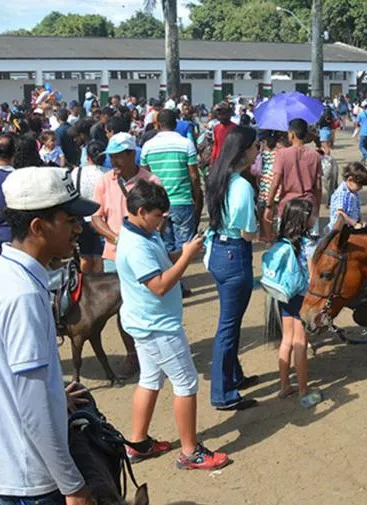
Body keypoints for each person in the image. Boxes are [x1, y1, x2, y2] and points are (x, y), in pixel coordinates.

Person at [0, 166, 99, 505]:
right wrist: (73, 486)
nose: (78, 228)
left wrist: (56, 396)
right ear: (38, 227)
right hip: (32, 476)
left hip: (4, 460)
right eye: (69, 220)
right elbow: (33, 405)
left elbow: (14, 377)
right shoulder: (23, 295)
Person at [114, 180, 229, 469]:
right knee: (186, 382)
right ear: (141, 211)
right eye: (158, 215)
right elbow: (160, 285)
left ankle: (138, 443)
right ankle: (191, 452)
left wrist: (186, 250)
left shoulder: (142, 232)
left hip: (145, 321)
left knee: (150, 379)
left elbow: (164, 263)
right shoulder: (137, 244)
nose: (162, 220)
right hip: (157, 326)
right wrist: (188, 257)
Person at [204, 126, 261, 411]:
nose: (257, 152)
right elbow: (248, 231)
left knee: (232, 321)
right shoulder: (241, 186)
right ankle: (223, 393)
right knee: (228, 326)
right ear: (245, 150)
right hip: (235, 252)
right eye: (256, 147)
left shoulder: (218, 175)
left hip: (218, 250)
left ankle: (233, 376)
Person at [272, 199, 324, 408]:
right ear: (304, 219)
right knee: (301, 342)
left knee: (287, 340)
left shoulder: (282, 240)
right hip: (302, 297)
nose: (314, 218)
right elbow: (313, 277)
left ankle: (284, 385)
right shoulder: (308, 245)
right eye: (311, 215)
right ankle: (303, 389)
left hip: (285, 294)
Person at [91, 132, 162, 275]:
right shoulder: (104, 181)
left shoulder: (151, 181)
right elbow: (96, 217)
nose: (113, 161)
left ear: (131, 155)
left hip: (145, 254)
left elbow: (161, 218)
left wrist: (143, 240)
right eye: (111, 156)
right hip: (113, 255)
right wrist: (116, 239)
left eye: (117, 156)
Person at [141, 109, 203, 258]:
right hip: (182, 201)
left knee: (165, 245)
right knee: (184, 248)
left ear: (157, 125)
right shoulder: (186, 144)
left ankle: (171, 278)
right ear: (175, 123)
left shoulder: (148, 146)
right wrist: (197, 198)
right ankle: (177, 278)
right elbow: (194, 176)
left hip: (158, 204)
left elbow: (145, 177)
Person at [263, 119, 322, 231]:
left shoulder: (282, 154)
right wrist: (316, 209)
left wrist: (269, 206)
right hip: (308, 204)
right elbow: (318, 187)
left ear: (292, 134)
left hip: (288, 205)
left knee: (286, 242)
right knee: (309, 244)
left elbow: (275, 183)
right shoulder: (315, 156)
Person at [71, 141, 109, 273]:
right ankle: (99, 284)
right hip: (102, 219)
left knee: (85, 255)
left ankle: (85, 283)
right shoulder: (108, 174)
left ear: (87, 157)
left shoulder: (77, 172)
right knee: (99, 256)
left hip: (82, 218)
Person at [328, 162, 367, 230]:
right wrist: (354, 224)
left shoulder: (354, 193)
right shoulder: (341, 193)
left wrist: (360, 221)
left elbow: (356, 211)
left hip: (350, 226)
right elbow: (340, 214)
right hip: (339, 230)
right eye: (359, 185)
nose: (361, 188)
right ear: (350, 180)